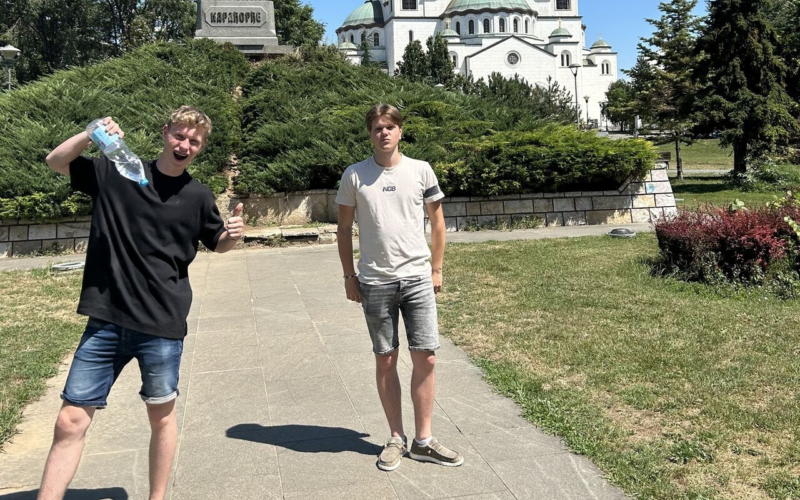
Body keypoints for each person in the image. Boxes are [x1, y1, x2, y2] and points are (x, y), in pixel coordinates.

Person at [38, 106, 243, 500]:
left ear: (201, 148)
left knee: (161, 417)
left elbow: (217, 243)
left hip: (161, 325)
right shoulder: (116, 171)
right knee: (70, 420)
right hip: (106, 319)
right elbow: (56, 161)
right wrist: (91, 133)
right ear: (165, 132)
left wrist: (233, 234)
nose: (184, 145)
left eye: (194, 141)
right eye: (179, 135)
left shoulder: (198, 195)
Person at [336, 103, 463, 471]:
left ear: (400, 131)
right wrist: (349, 276)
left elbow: (437, 224)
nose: (384, 133)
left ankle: (423, 440)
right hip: (375, 281)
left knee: (427, 357)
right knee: (386, 358)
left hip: (418, 278)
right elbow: (344, 230)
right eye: (377, 128)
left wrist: (436, 269)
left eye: (390, 127)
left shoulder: (421, 170)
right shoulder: (355, 176)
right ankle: (395, 437)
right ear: (369, 133)